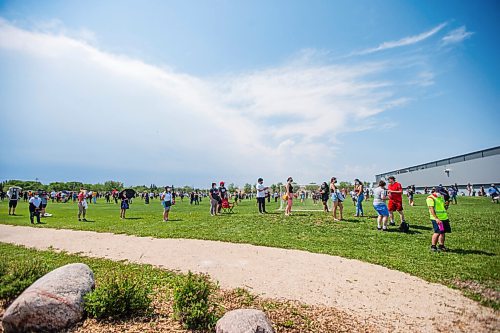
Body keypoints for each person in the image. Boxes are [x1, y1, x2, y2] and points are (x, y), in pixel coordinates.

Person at [427, 187, 452, 252]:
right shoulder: (430, 198)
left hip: (444, 218)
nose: (441, 194)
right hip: (437, 219)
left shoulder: (440, 198)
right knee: (437, 232)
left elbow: (444, 208)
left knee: (442, 232)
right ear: (436, 191)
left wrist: (447, 204)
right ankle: (433, 246)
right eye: (440, 193)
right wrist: (436, 218)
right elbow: (431, 209)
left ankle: (441, 246)